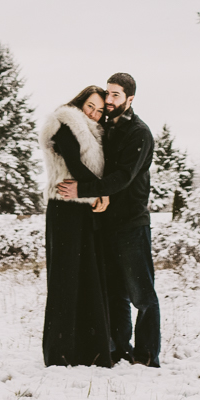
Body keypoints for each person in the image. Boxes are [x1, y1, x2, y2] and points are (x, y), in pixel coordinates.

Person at [56, 70, 158, 367]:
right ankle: (119, 350)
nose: (110, 100)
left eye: (115, 95)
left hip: (132, 222)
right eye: (108, 93)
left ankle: (148, 355)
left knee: (142, 295)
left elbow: (123, 177)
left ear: (130, 99)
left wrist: (83, 190)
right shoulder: (105, 128)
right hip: (105, 223)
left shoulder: (138, 132)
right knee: (115, 294)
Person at [38, 85, 116, 367]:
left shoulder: (93, 133)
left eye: (99, 110)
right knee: (64, 279)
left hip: (82, 209)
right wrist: (101, 192)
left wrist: (94, 193)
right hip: (64, 207)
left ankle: (87, 350)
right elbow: (75, 164)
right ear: (79, 104)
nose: (94, 113)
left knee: (87, 277)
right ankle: (60, 353)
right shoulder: (65, 124)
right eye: (90, 107)